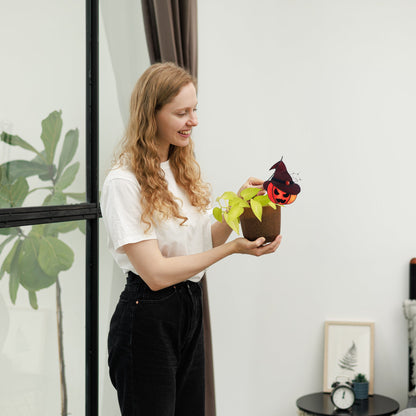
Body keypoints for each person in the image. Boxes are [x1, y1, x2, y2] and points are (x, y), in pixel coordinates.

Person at [100, 62, 282, 416]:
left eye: (194, 110)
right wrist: (233, 250)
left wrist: (239, 206)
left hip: (188, 306)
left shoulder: (178, 168)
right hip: (148, 317)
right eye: (181, 112)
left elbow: (199, 245)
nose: (193, 121)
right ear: (150, 114)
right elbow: (155, 274)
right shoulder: (124, 182)